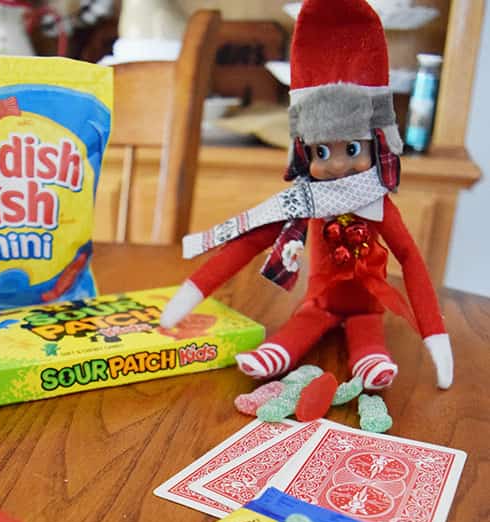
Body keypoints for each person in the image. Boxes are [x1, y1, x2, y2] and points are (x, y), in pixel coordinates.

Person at [160, 0, 453, 391]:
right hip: (318, 301)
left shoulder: (378, 206)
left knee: (369, 332)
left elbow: (412, 262)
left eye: (350, 149)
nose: (333, 165)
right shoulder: (306, 204)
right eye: (320, 152)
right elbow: (249, 243)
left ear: (375, 144)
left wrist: (436, 339)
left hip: (368, 305)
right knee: (304, 320)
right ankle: (278, 353)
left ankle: (370, 361)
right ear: (303, 153)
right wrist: (186, 297)